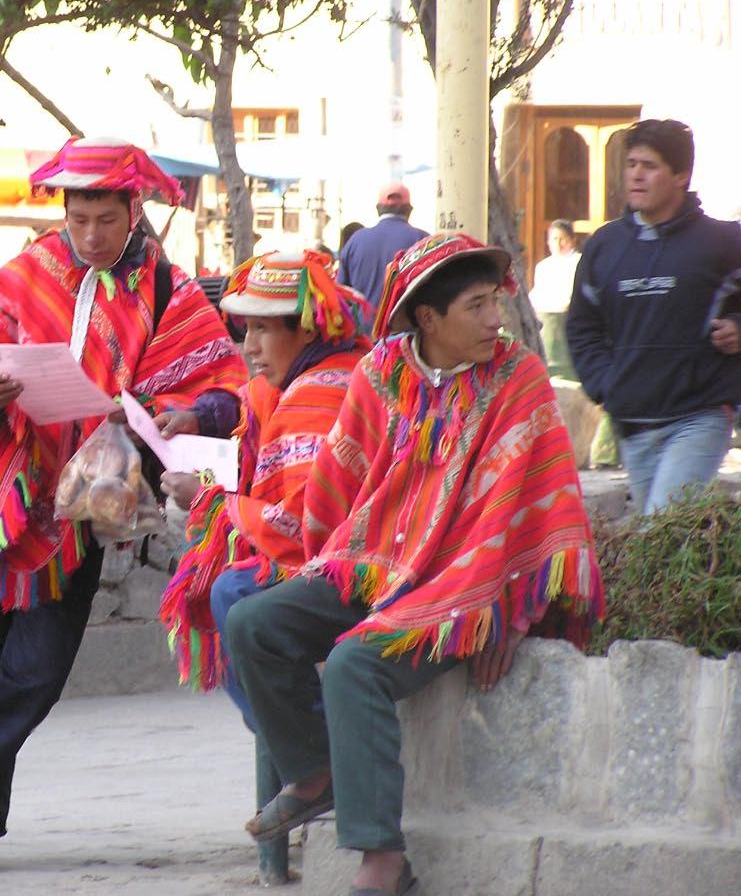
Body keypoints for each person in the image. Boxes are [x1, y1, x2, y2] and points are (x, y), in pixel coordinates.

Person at [0, 136, 247, 872]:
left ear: (132, 211)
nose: (89, 236)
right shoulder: (26, 274)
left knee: (37, 670)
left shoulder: (166, 293)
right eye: (78, 219)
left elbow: (220, 384)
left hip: (82, 506)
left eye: (104, 221)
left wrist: (173, 413)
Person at [226, 233, 603, 896]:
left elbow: (543, 505)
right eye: (476, 306)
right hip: (375, 565)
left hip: (465, 588)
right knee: (254, 622)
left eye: (496, 303)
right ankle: (314, 773)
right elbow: (341, 483)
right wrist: (320, 561)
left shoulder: (517, 378)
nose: (496, 320)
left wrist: (510, 615)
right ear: (427, 320)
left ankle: (381, 858)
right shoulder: (379, 373)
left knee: (353, 664)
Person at [158, 250, 370, 722]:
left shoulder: (320, 394)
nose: (248, 347)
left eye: (264, 329)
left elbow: (296, 525)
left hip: (352, 568)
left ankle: (314, 752)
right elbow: (247, 425)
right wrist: (199, 417)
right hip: (329, 561)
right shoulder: (282, 386)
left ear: (309, 329)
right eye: (245, 330)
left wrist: (206, 499)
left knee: (234, 592)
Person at [567, 118, 741, 513]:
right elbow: (582, 327)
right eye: (630, 164)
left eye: (650, 166)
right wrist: (606, 384)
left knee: (660, 523)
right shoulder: (604, 247)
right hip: (632, 421)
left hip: (699, 417)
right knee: (659, 544)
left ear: (681, 175)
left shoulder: (722, 241)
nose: (636, 176)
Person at [337, 182, 428, 318]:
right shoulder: (424, 241)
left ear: (378, 208)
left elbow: (341, 294)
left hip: (363, 335)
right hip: (407, 335)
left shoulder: (355, 241)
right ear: (409, 209)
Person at [528, 219, 579, 379]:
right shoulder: (543, 266)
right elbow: (536, 295)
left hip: (567, 322)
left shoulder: (579, 262)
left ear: (572, 240)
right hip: (546, 323)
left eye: (562, 238)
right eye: (554, 239)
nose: (558, 243)